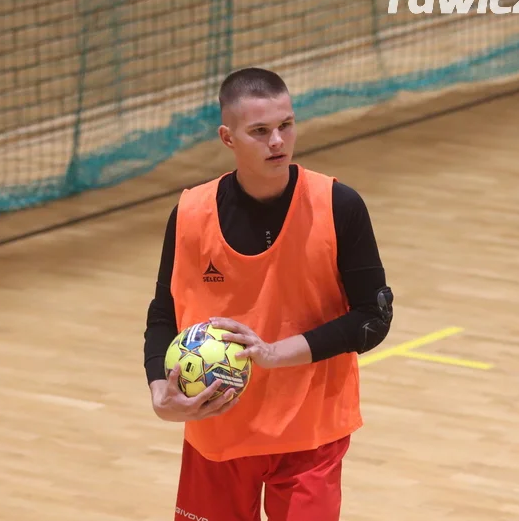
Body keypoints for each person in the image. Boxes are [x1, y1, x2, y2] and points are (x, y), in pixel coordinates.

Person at [142, 67, 395, 521]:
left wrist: (276, 354)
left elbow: (371, 318)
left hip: (310, 434)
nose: (277, 140)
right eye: (260, 131)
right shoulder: (191, 212)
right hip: (217, 429)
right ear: (228, 137)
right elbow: (164, 313)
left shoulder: (339, 205)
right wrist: (161, 392)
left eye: (286, 125)